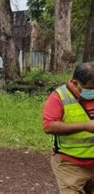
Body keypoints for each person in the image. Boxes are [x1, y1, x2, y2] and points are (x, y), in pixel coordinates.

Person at [43, 62, 94, 193]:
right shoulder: (59, 96)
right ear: (74, 82)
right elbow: (49, 126)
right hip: (70, 164)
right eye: (90, 88)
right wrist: (85, 126)